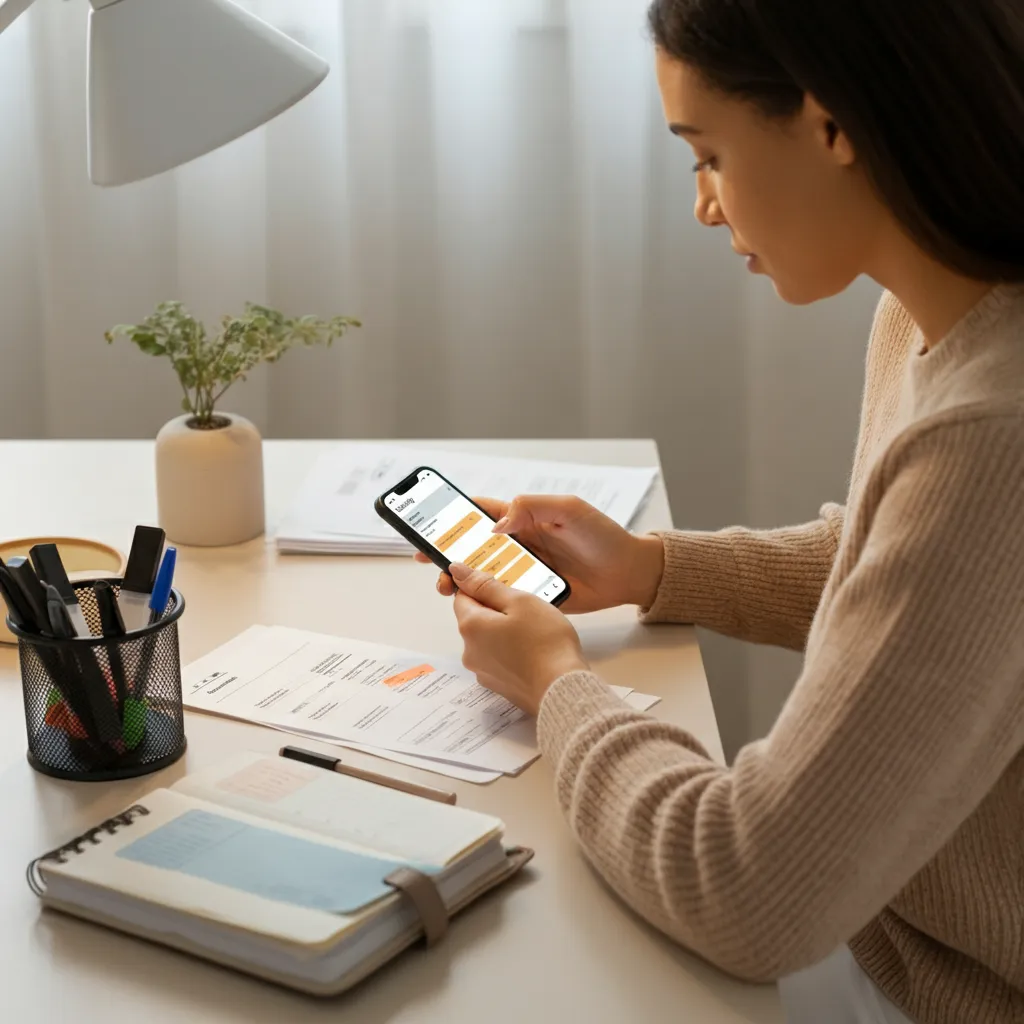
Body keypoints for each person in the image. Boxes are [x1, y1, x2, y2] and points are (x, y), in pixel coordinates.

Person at [417, 1, 1024, 1022]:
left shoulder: (990, 425)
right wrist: (657, 568)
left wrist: (556, 681)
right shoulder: (936, 316)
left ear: (831, 124)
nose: (704, 205)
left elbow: (746, 889)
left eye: (707, 155)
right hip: (886, 945)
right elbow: (918, 574)